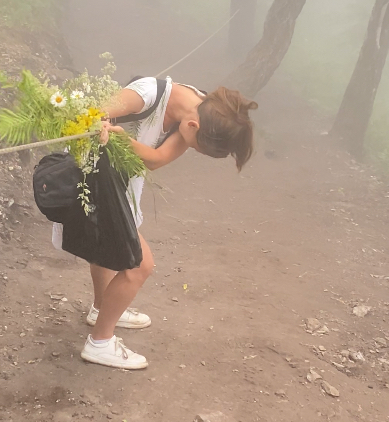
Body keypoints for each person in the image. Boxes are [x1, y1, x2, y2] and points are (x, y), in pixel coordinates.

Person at [76, 76, 257, 371]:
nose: (193, 150)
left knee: (110, 252)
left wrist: (124, 141)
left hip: (120, 187)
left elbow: (157, 158)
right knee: (138, 265)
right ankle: (99, 343)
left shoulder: (200, 110)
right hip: (94, 183)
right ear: (192, 127)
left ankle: (102, 309)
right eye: (197, 147)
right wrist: (103, 128)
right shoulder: (147, 94)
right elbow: (90, 114)